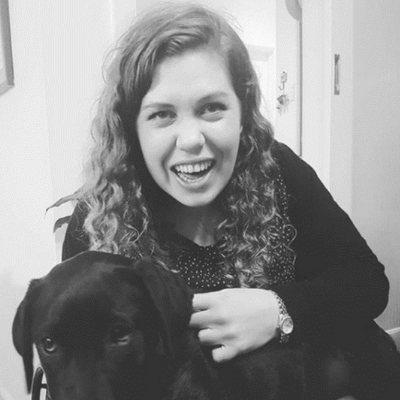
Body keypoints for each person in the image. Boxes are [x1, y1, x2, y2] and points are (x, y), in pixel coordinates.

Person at [62, 3, 400, 399]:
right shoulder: (97, 221)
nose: (190, 140)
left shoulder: (279, 171)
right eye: (162, 115)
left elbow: (367, 283)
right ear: (131, 128)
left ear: (242, 112)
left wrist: (280, 309)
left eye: (212, 108)